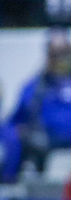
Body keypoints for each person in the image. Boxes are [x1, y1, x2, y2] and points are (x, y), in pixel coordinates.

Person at [10, 29, 71, 167]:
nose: (60, 59)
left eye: (64, 53)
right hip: (46, 149)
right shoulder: (35, 88)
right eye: (55, 54)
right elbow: (16, 121)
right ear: (48, 56)